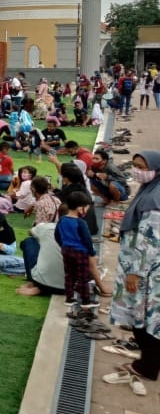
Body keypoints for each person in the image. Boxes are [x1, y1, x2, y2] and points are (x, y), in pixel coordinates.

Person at [109, 151, 160, 385]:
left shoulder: (154, 199)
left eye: (142, 166)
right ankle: (149, 362)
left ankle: (147, 366)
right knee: (144, 318)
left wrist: (135, 273)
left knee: (144, 320)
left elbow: (150, 241)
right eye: (136, 165)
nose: (138, 171)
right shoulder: (150, 191)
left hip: (145, 271)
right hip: (143, 268)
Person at [55, 190, 98, 307]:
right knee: (83, 276)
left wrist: (63, 245)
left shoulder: (62, 220)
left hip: (66, 250)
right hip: (80, 252)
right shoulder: (81, 223)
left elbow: (57, 235)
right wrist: (92, 253)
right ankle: (86, 301)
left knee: (69, 275)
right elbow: (87, 240)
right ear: (80, 208)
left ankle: (69, 298)